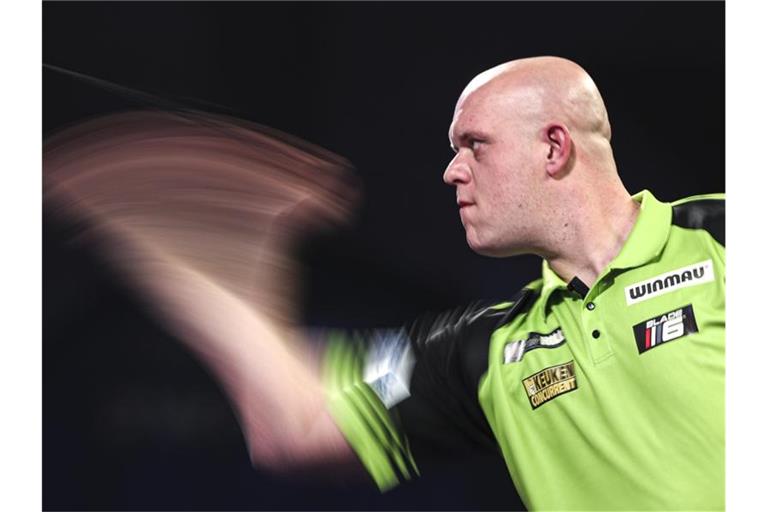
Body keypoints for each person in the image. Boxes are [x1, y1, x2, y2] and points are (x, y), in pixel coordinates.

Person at [44, 56, 724, 510]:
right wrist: (198, 262)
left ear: (554, 146)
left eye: (474, 145)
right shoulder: (486, 351)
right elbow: (300, 421)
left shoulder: (722, 237)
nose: (451, 172)